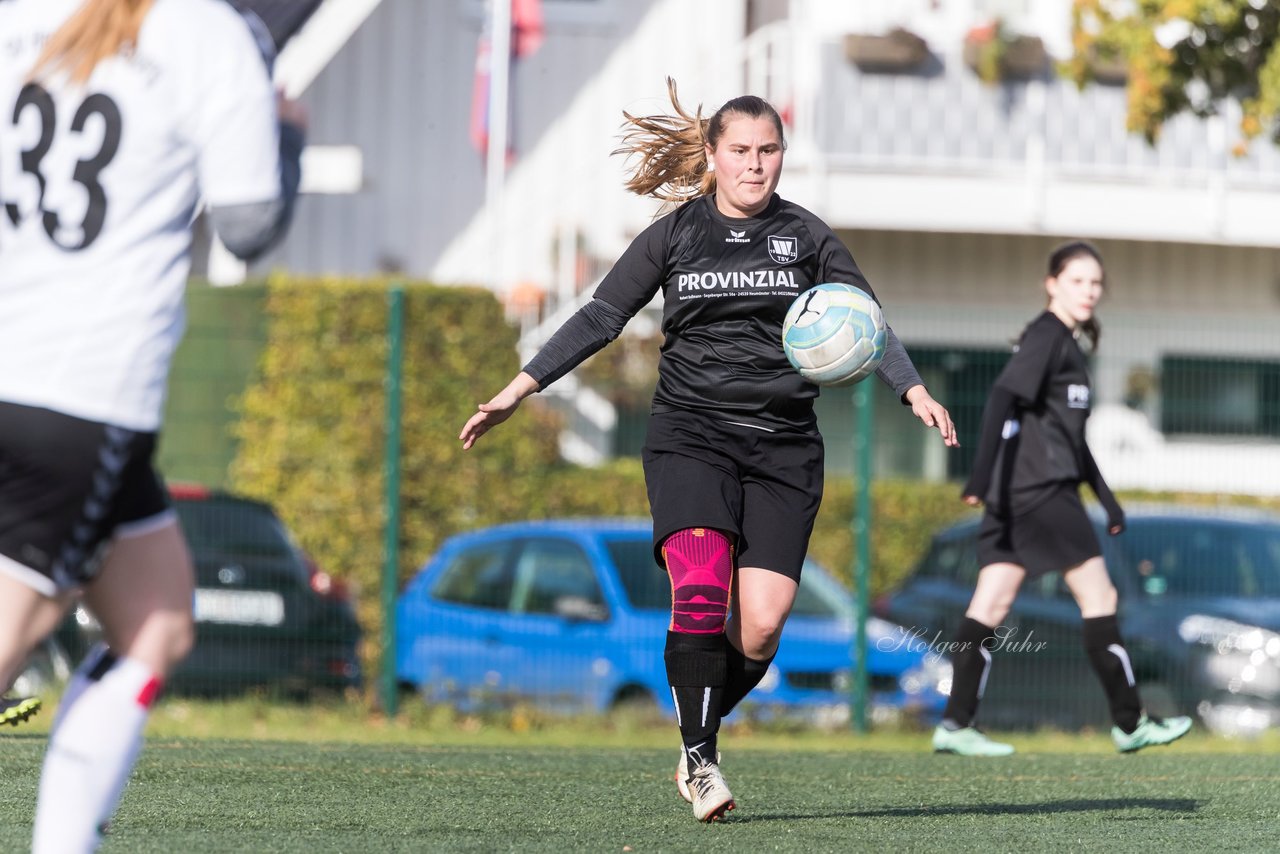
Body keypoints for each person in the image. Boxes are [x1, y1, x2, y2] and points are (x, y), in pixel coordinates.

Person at [460, 79, 958, 822]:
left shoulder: (809, 236)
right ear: (714, 156)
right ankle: (700, 761)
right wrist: (519, 387)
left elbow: (866, 321)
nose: (755, 166)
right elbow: (601, 314)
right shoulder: (676, 234)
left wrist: (911, 388)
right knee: (699, 590)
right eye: (741, 152)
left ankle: (698, 730)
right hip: (690, 437)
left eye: (768, 151)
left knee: (760, 624)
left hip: (784, 447)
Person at [0, 0, 305, 849]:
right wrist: (286, 134)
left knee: (156, 624)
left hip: (19, 368)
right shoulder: (206, 30)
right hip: (85, 391)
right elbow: (249, 222)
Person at [932, 240, 1192, 757]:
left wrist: (1107, 499)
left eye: (1096, 283)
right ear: (1052, 284)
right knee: (1101, 599)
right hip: (1043, 494)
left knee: (991, 601)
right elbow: (1003, 396)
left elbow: (1070, 440)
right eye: (1078, 281)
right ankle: (1130, 720)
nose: (1089, 291)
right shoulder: (1048, 336)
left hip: (1024, 494)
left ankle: (956, 724)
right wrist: (979, 478)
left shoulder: (1067, 343)